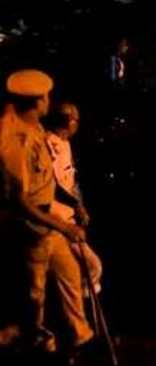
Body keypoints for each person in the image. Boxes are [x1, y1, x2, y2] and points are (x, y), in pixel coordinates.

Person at [0, 70, 92, 353]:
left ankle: (81, 337)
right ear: (36, 101)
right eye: (45, 96)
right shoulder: (17, 142)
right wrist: (64, 226)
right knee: (35, 296)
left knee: (71, 274)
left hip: (47, 225)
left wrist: (73, 206)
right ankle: (37, 342)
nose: (48, 100)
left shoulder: (34, 126)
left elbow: (49, 180)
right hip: (31, 229)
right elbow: (21, 201)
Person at [43, 103, 103, 295]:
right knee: (92, 267)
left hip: (66, 219)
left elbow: (70, 180)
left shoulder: (65, 143)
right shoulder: (48, 145)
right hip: (54, 221)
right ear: (70, 122)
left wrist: (81, 207)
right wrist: (76, 206)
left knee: (88, 269)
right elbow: (57, 185)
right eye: (76, 119)